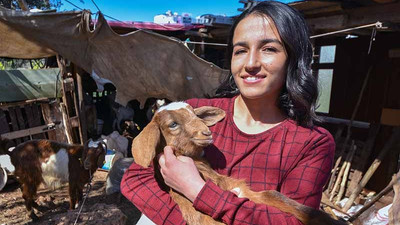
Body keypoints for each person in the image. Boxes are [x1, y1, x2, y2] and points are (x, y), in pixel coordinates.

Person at [121, 1, 335, 224]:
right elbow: (136, 179)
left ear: (293, 58)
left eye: (269, 49)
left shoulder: (311, 143)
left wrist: (197, 191)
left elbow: (294, 222)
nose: (250, 63)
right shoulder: (192, 114)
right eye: (240, 50)